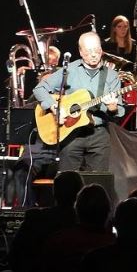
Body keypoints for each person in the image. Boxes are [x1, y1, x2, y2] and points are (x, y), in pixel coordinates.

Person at [33, 31, 124, 172]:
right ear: (81, 52)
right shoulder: (69, 70)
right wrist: (54, 107)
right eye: (88, 51)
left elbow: (120, 111)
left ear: (101, 50)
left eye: (96, 50)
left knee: (98, 181)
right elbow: (39, 89)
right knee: (68, 180)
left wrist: (113, 108)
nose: (93, 54)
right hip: (70, 133)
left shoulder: (112, 76)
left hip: (99, 135)